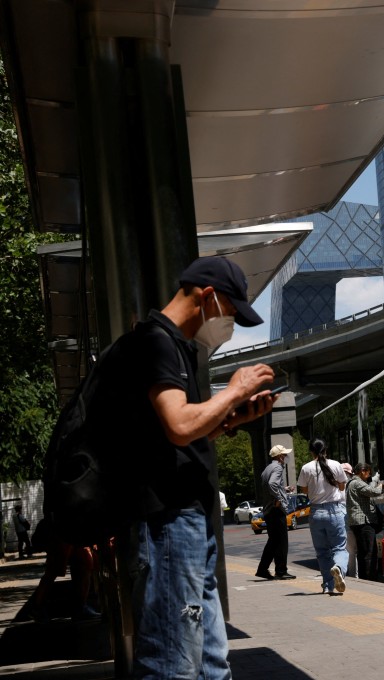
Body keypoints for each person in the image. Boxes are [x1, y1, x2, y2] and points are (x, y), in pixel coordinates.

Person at [92, 255, 278, 678]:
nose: (228, 326)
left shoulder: (172, 347)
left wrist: (231, 421)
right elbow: (179, 426)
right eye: (230, 314)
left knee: (211, 665)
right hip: (169, 524)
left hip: (185, 522)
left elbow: (172, 439)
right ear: (209, 297)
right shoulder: (157, 342)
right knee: (172, 663)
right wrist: (234, 392)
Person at [296, 440, 350, 594]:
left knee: (322, 551)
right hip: (335, 511)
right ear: (326, 450)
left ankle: (328, 586)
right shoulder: (335, 464)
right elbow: (342, 486)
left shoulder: (306, 468)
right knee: (339, 547)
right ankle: (338, 568)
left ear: (311, 451)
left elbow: (304, 490)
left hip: (316, 513)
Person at [256, 445, 296, 581]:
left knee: (273, 541)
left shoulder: (267, 468)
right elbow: (272, 484)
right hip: (275, 509)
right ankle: (281, 570)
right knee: (282, 541)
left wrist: (284, 489)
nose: (285, 457)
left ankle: (263, 569)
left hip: (268, 509)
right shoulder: (278, 467)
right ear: (279, 457)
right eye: (284, 455)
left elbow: (269, 484)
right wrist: (278, 498)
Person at [346, 462, 384, 580]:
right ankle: (369, 578)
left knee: (365, 551)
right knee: (368, 552)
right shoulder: (357, 483)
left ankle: (367, 576)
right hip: (363, 522)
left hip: (359, 522)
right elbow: (374, 492)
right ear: (363, 471)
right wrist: (381, 486)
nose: (369, 476)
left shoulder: (352, 483)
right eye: (368, 473)